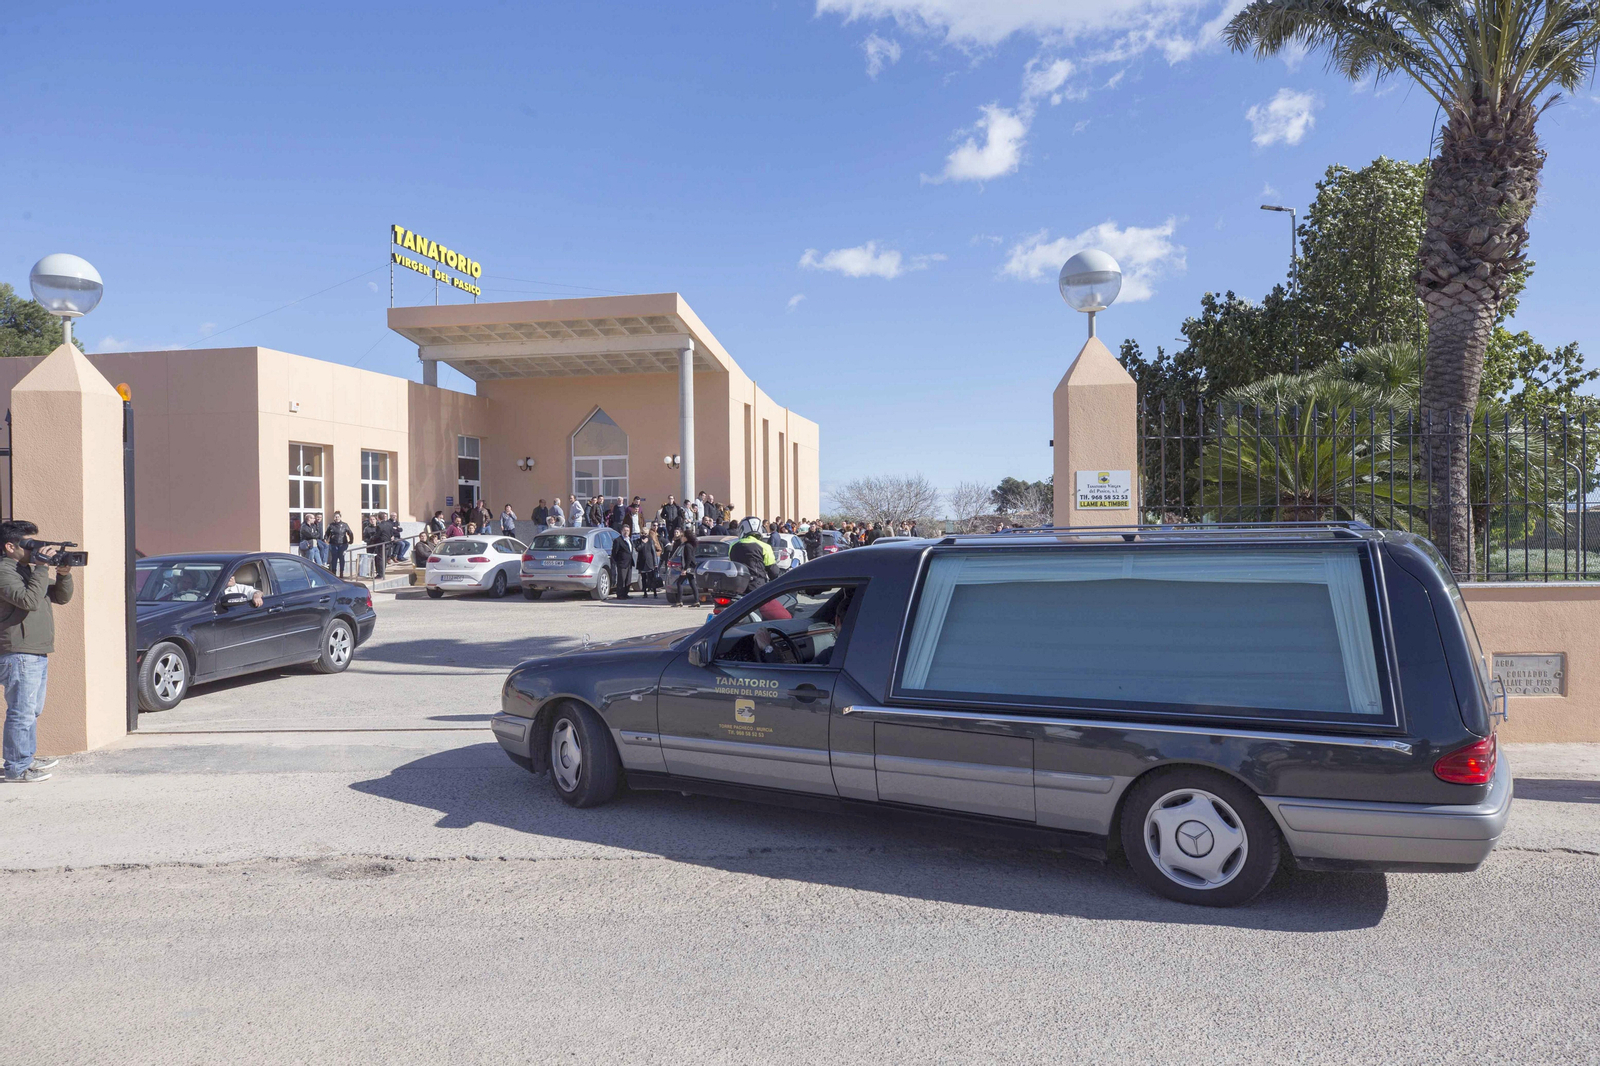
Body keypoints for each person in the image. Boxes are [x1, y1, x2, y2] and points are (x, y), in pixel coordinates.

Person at [0, 521, 75, 784]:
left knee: (31, 710)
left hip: (36, 650)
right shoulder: (4, 572)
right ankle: (17, 769)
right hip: (18, 651)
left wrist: (64, 574)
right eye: (30, 545)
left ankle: (25, 759)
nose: (36, 550)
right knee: (21, 711)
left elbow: (60, 597)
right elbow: (29, 601)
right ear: (10, 547)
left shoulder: (27, 570)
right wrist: (42, 567)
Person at [729, 517, 781, 593]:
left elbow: (732, 563)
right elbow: (773, 571)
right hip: (756, 587)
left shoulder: (733, 545)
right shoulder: (765, 547)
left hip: (737, 586)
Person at [668, 528, 699, 607]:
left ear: (686, 537)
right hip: (690, 567)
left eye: (682, 536)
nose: (681, 538)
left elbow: (688, 558)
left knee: (679, 583)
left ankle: (679, 601)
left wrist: (685, 569)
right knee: (692, 584)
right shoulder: (689, 545)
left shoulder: (687, 546)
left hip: (688, 568)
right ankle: (696, 601)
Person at [635, 527, 661, 599]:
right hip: (642, 562)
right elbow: (637, 549)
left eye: (646, 533)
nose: (644, 535)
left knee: (652, 578)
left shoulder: (650, 540)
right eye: (643, 533)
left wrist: (655, 563)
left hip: (650, 562)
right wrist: (643, 543)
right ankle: (645, 593)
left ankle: (655, 593)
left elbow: (653, 552)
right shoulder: (638, 541)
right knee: (643, 578)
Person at [325, 511, 353, 577]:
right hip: (333, 544)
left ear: (340, 517)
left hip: (342, 544)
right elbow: (327, 534)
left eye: (338, 516)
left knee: (341, 558)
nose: (337, 518)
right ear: (334, 518)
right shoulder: (331, 525)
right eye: (335, 517)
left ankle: (341, 572)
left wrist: (351, 541)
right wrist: (325, 539)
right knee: (334, 558)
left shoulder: (344, 525)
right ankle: (334, 572)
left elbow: (350, 533)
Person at [609, 529, 635, 599]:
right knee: (622, 580)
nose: (626, 532)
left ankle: (625, 593)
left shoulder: (629, 540)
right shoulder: (618, 540)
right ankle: (620, 594)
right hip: (622, 563)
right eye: (624, 530)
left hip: (629, 563)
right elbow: (614, 553)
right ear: (621, 531)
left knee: (628, 580)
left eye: (627, 530)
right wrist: (617, 561)